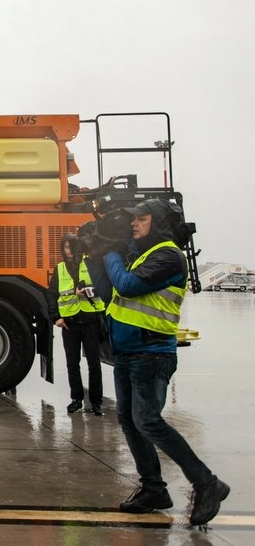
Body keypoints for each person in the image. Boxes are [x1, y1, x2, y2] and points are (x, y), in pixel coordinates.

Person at [87, 198, 230, 527]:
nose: (134, 224)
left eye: (142, 218)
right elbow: (109, 291)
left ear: (160, 223)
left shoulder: (168, 256)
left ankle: (207, 483)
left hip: (151, 353)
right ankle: (154, 489)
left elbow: (128, 284)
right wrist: (98, 253)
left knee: (147, 420)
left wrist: (110, 252)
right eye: (134, 219)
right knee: (129, 419)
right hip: (127, 351)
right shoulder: (138, 255)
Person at [46, 233, 106, 416]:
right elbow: (51, 294)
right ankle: (76, 399)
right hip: (70, 323)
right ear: (62, 249)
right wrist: (56, 317)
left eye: (72, 246)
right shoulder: (60, 268)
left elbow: (104, 288)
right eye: (66, 246)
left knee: (94, 364)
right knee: (73, 363)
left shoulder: (89, 265)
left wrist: (87, 291)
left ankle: (96, 403)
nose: (69, 250)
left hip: (90, 321)